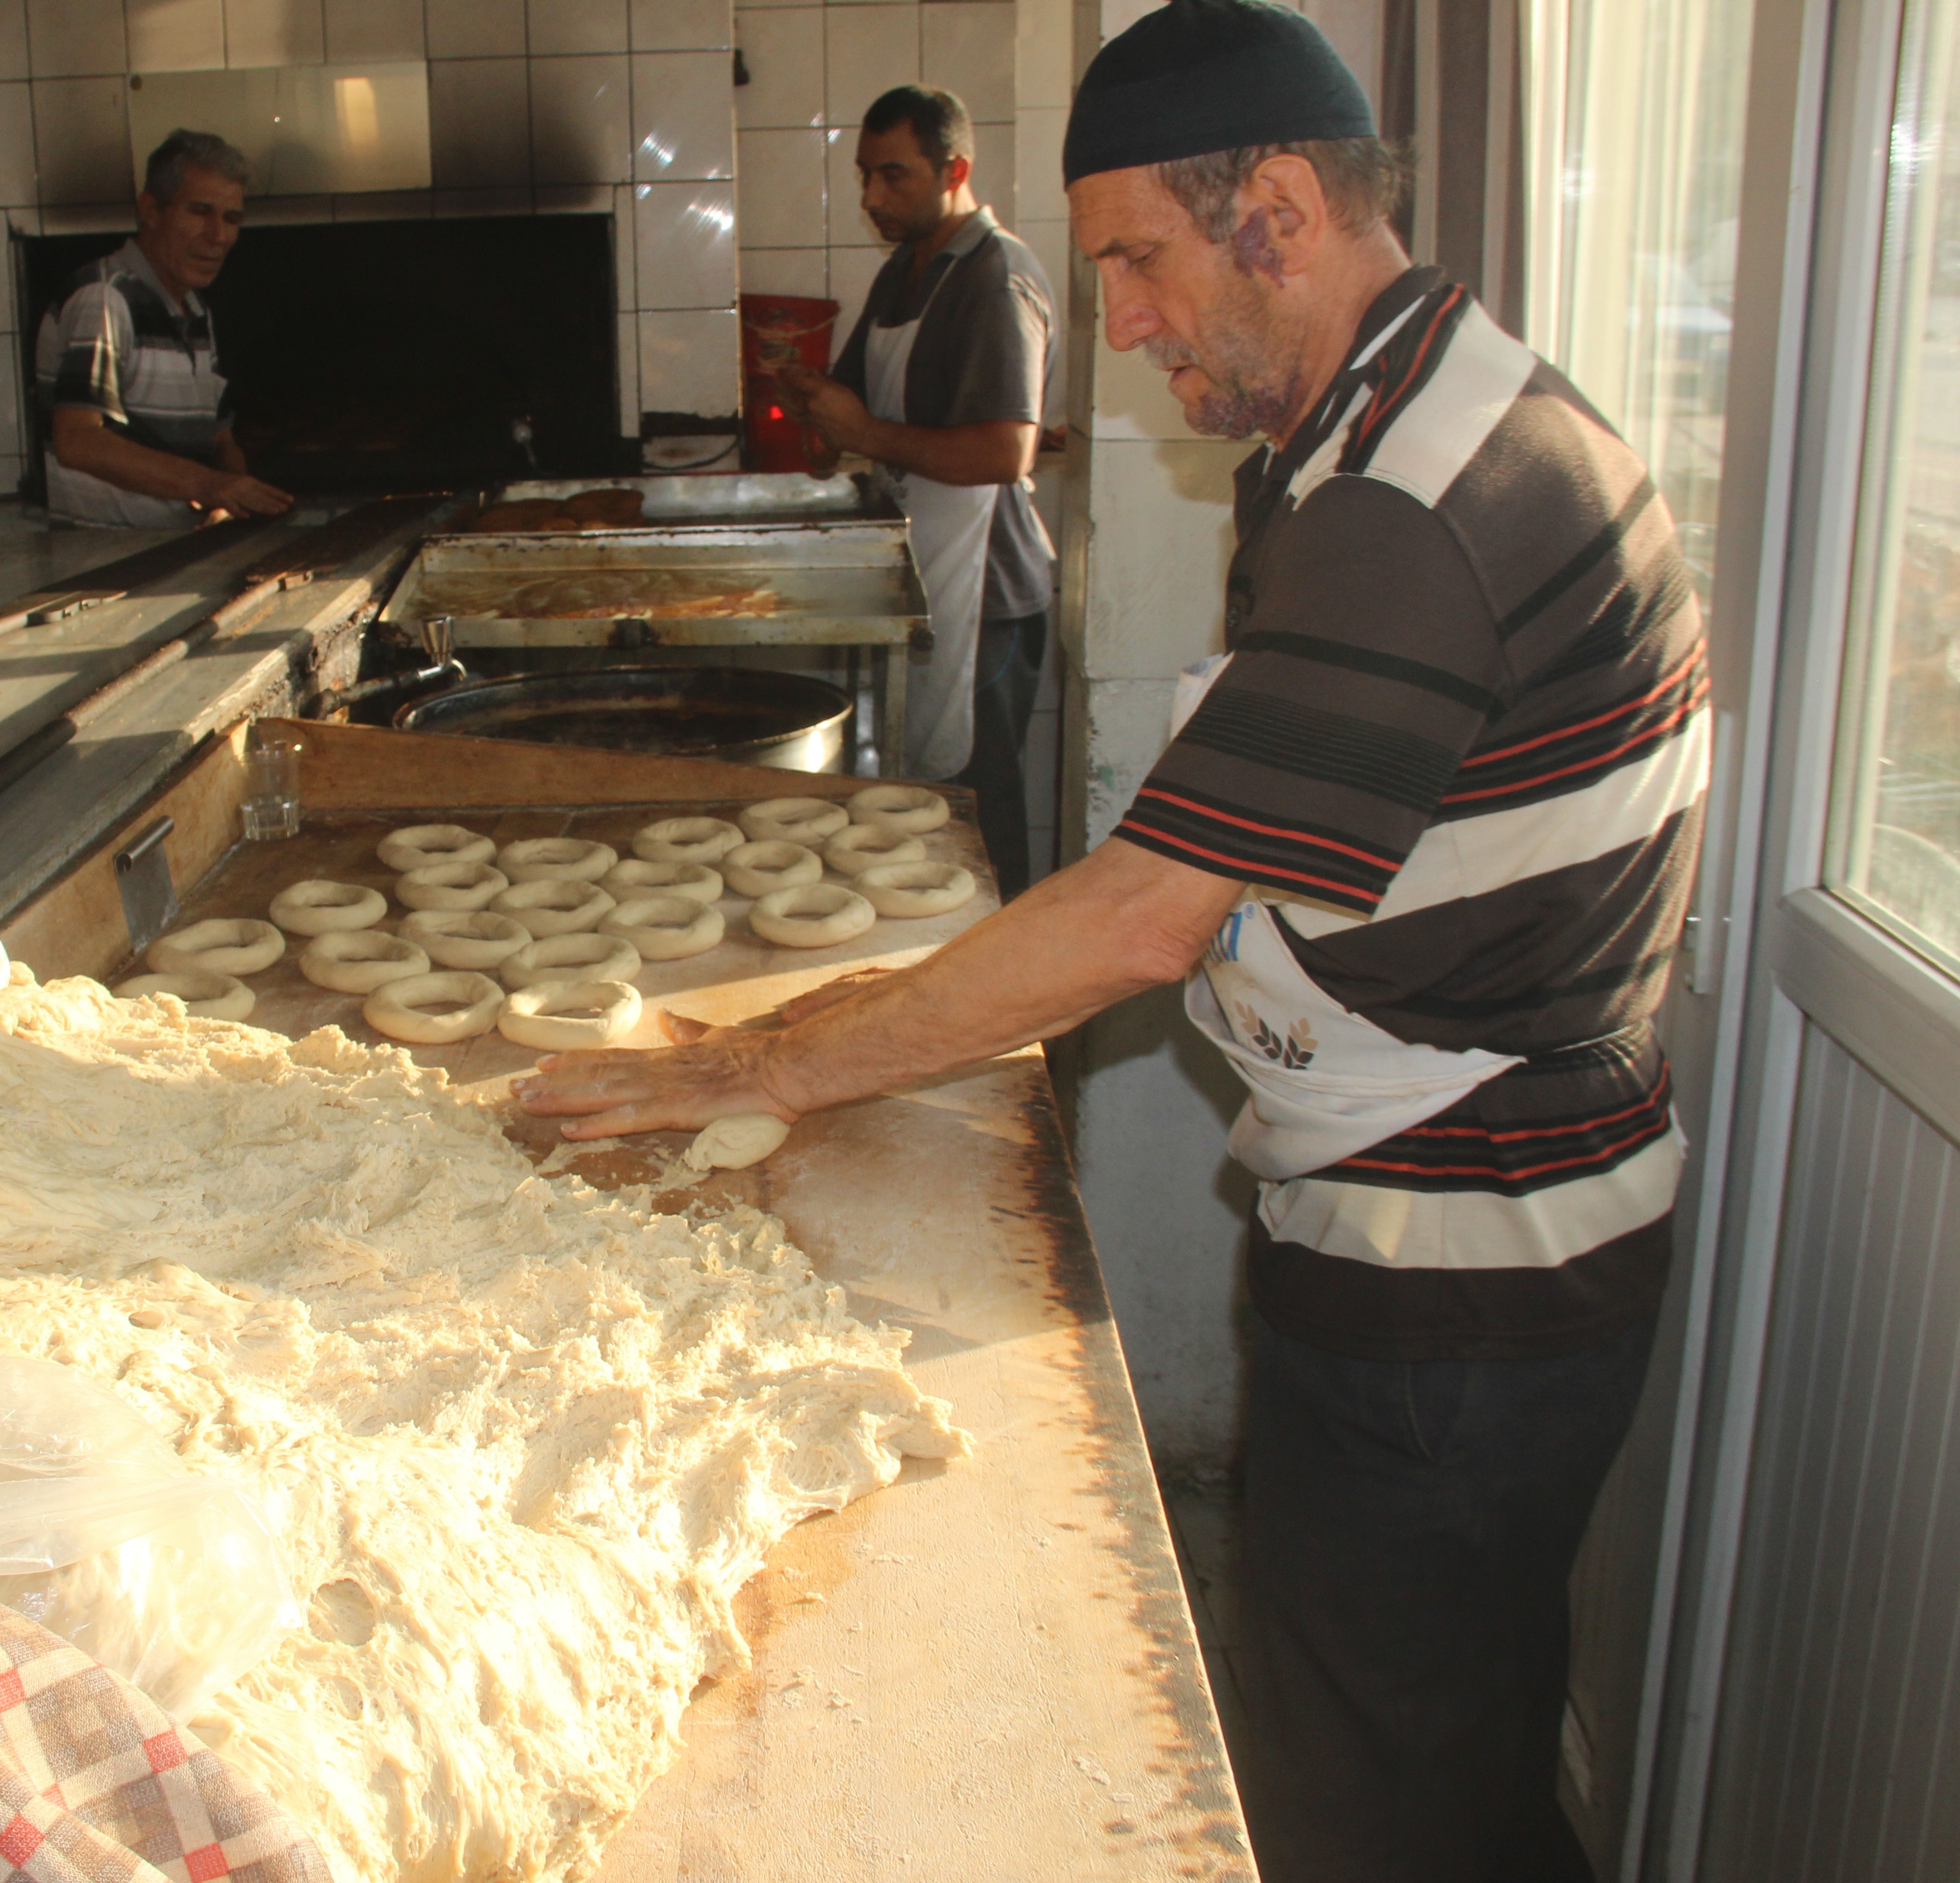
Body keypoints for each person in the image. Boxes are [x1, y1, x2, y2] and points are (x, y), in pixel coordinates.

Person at [518, 3, 1708, 1878]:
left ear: (1279, 209)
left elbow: (1150, 910)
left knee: (1379, 1794)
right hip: (1452, 1222)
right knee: (1429, 1735)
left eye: (1140, 262)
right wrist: (879, 1006)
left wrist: (771, 1063)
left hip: (1460, 1258)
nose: (1127, 323)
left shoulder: (1412, 499)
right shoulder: (1395, 426)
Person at [776, 85, 1063, 896]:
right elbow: (855, 411)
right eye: (865, 175)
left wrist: (865, 433)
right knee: (925, 812)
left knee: (979, 817)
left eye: (893, 175)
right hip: (922, 582)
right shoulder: (903, 274)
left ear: (954, 170)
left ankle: (1007, 969)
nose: (872, 197)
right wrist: (817, 415)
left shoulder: (995, 277)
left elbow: (1006, 451)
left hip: (986, 598)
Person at [34, 129, 292, 528]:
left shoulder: (196, 310)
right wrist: (210, 486)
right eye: (200, 212)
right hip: (109, 561)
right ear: (151, 211)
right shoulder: (105, 299)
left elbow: (220, 440)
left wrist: (232, 497)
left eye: (231, 219)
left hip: (179, 554)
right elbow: (78, 441)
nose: (219, 236)